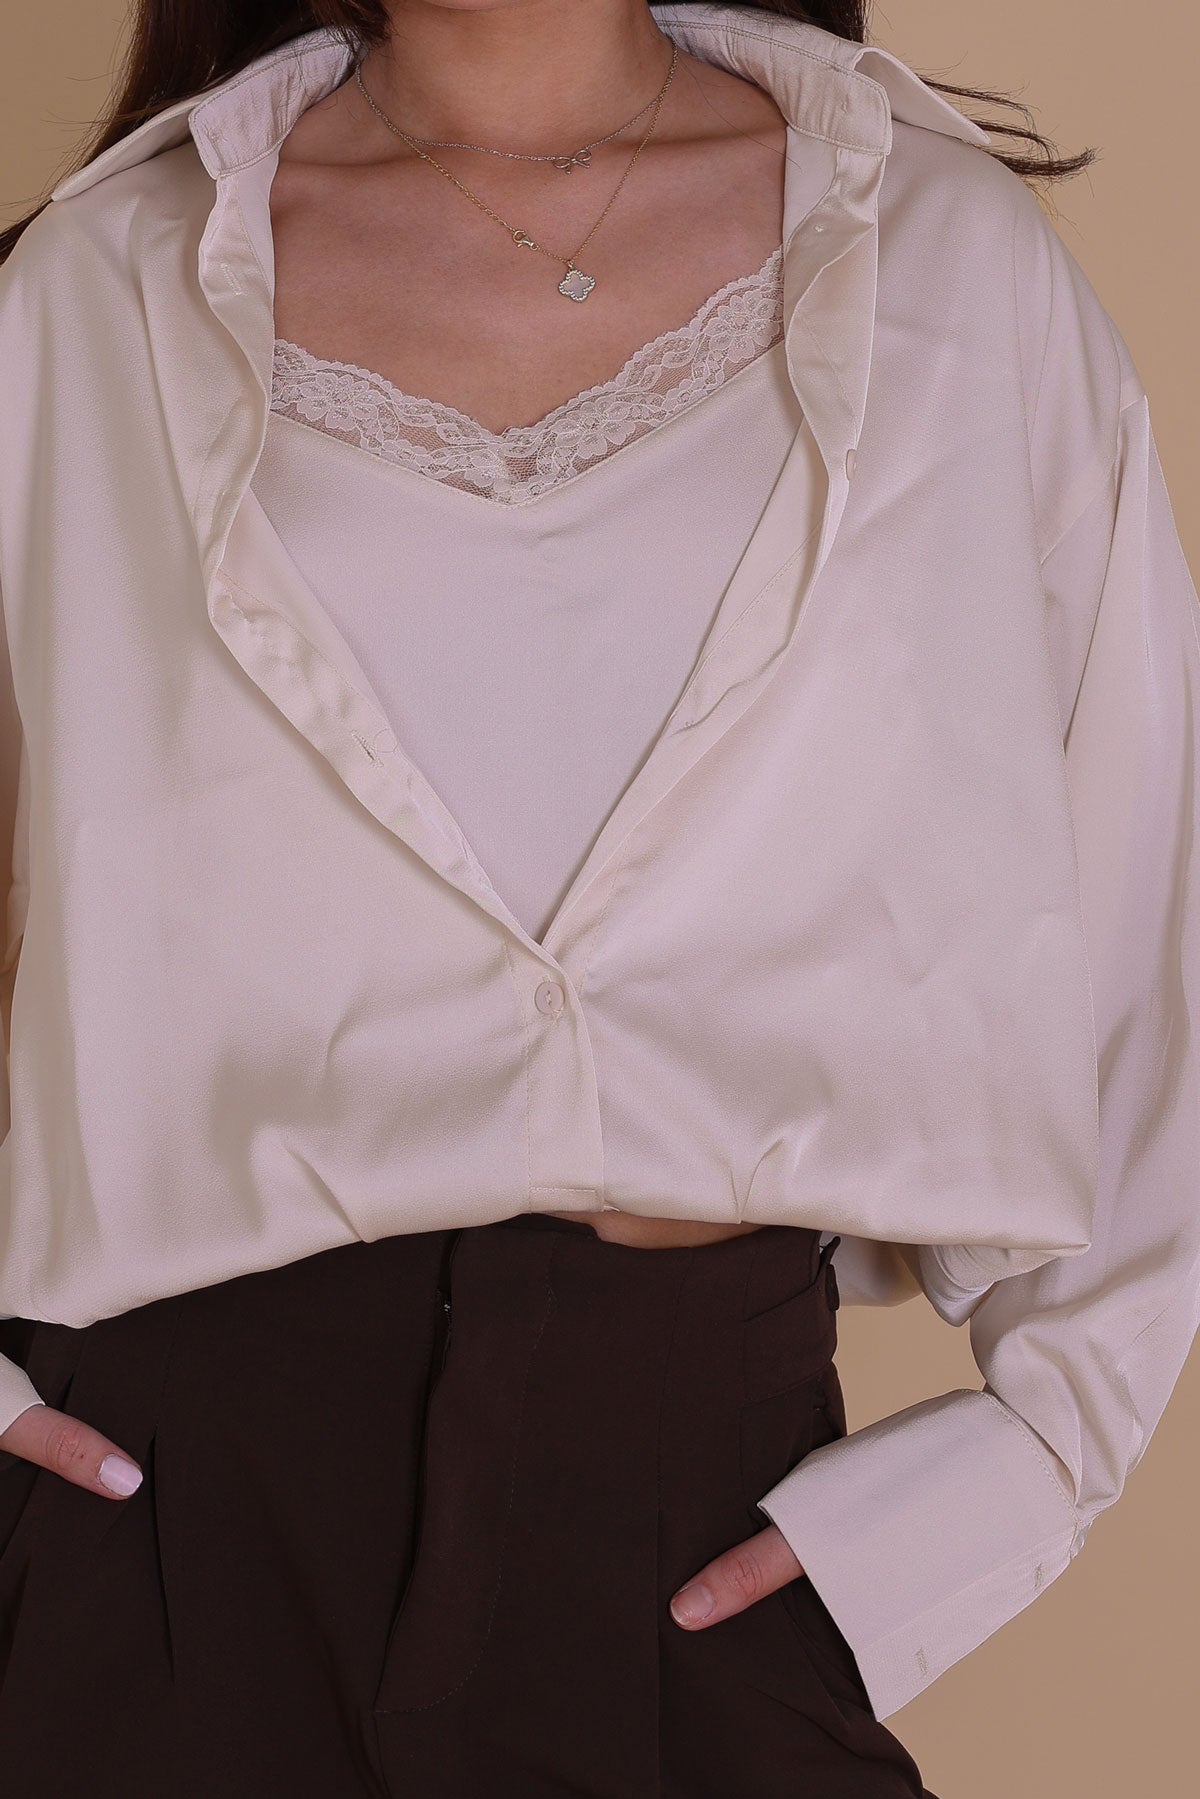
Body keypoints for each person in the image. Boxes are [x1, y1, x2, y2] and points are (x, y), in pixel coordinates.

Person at [0, 1, 1196, 1792]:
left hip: (692, 1496)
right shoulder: (96, 287)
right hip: (165, 1522)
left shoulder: (949, 259)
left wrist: (1028, 1462)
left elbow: (1137, 910)